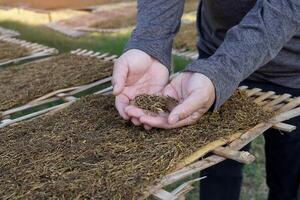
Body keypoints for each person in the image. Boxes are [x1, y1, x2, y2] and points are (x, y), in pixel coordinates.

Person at [112, 0, 300, 199]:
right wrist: (150, 44)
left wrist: (222, 69)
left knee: (287, 178)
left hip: (290, 70)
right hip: (214, 58)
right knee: (217, 175)